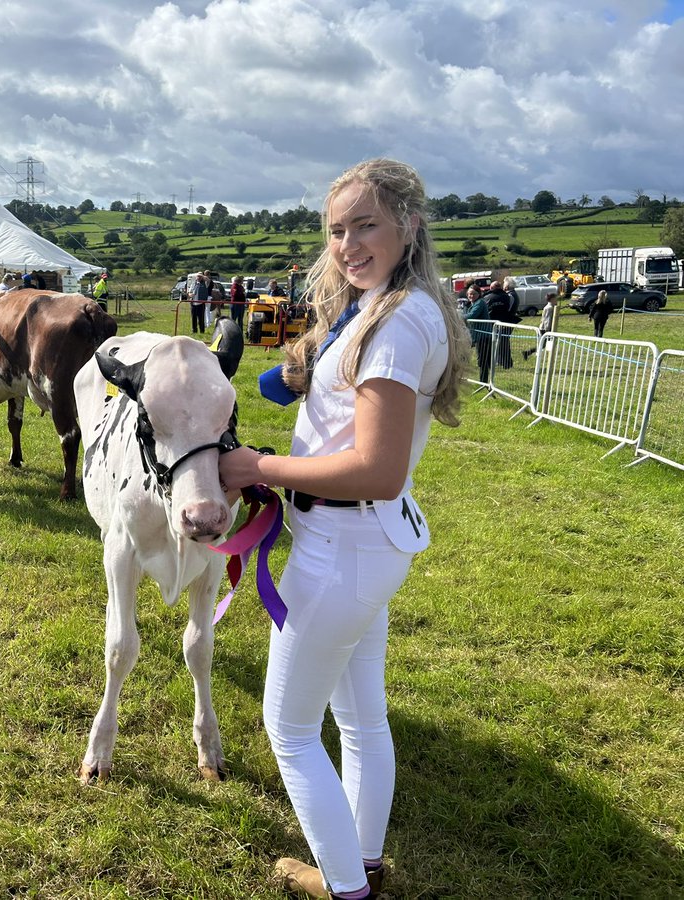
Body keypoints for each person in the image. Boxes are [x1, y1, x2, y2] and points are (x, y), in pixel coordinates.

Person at [218, 158, 468, 900]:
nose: (349, 243)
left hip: (343, 547)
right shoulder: (383, 305)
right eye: (337, 230)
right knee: (360, 721)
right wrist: (297, 376)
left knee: (291, 732)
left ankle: (346, 890)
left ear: (407, 227)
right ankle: (360, 864)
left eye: (366, 225)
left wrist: (256, 464)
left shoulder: (397, 324)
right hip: (365, 547)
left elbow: (376, 469)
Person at [523, 293, 557, 361]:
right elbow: (547, 319)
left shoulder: (551, 307)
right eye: (555, 299)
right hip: (545, 329)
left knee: (544, 344)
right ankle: (530, 353)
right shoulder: (549, 308)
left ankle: (528, 353)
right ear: (552, 299)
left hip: (545, 328)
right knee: (544, 344)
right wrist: (548, 330)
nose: (556, 300)